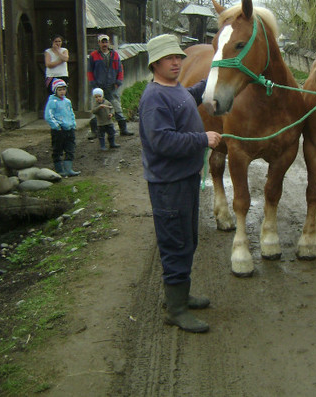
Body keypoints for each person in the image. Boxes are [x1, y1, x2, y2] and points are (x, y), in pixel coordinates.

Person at [139, 34, 221, 333]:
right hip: (168, 185)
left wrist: (218, 75)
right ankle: (175, 309)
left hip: (185, 179)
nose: (176, 62)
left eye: (178, 57)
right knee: (175, 243)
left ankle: (181, 295)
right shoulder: (154, 99)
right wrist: (203, 139)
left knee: (188, 240)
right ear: (155, 63)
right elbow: (161, 141)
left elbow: (193, 93)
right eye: (169, 59)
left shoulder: (175, 89)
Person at [87, 34, 134, 139]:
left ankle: (123, 129)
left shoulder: (115, 55)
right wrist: (93, 83)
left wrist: (118, 82)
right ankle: (94, 131)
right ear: (99, 43)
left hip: (112, 86)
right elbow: (90, 71)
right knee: (96, 108)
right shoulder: (93, 55)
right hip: (98, 86)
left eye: (106, 42)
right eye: (102, 42)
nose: (104, 44)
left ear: (109, 43)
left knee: (116, 106)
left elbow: (120, 69)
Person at [44, 78, 80, 177]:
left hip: (69, 128)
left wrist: (73, 124)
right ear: (55, 90)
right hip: (59, 130)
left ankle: (68, 169)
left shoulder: (67, 101)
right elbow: (48, 116)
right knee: (57, 149)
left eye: (64, 89)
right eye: (59, 90)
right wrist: (56, 126)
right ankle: (59, 170)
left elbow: (71, 113)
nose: (62, 92)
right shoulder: (52, 102)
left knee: (70, 148)